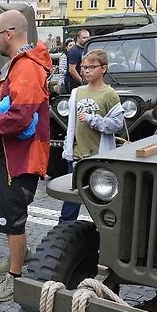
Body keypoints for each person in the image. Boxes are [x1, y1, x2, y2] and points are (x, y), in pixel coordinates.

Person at [0, 10, 51, 302]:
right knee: (6, 213)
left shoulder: (26, 68)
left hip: (20, 158)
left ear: (8, 33)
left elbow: (20, 117)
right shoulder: (20, 64)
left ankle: (16, 277)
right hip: (10, 155)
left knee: (12, 216)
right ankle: (21, 256)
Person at [59, 49, 124, 222]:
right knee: (70, 201)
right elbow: (71, 125)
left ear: (103, 68)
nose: (86, 71)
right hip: (76, 156)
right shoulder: (77, 92)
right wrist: (68, 147)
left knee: (100, 200)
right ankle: (64, 234)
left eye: (91, 67)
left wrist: (93, 119)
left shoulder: (110, 94)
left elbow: (117, 124)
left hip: (98, 157)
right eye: (84, 67)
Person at [64, 29, 89, 94]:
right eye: (84, 38)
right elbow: (72, 70)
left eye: (87, 37)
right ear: (78, 38)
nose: (86, 39)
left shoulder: (84, 49)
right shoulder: (74, 51)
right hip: (73, 82)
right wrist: (82, 82)